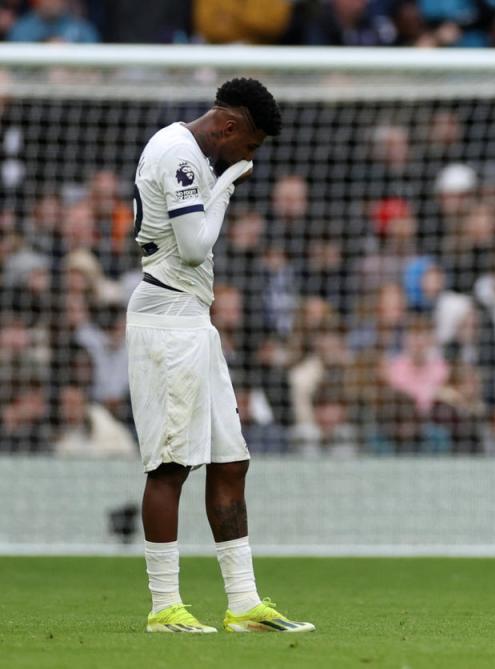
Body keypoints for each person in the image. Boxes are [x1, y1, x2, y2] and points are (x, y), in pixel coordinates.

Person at [126, 78, 314, 634]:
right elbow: (192, 246)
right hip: (166, 321)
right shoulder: (182, 156)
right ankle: (165, 607)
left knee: (231, 461)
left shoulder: (196, 156)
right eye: (249, 146)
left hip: (194, 322)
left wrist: (225, 175)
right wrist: (228, 183)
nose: (247, 158)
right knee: (169, 466)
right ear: (229, 127)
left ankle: (243, 603)